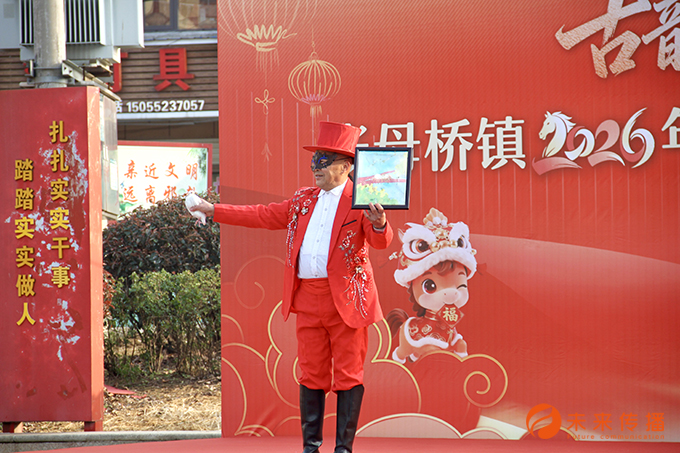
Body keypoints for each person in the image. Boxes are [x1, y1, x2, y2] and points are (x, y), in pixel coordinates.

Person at [190, 121, 393, 453]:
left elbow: (380, 241)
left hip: (347, 301)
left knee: (348, 374)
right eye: (314, 160)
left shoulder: (363, 200)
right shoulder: (302, 199)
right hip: (308, 299)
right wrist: (213, 210)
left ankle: (343, 450)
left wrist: (380, 223)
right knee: (311, 374)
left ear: (346, 166)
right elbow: (263, 214)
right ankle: (310, 448)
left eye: (323, 160)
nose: (315, 167)